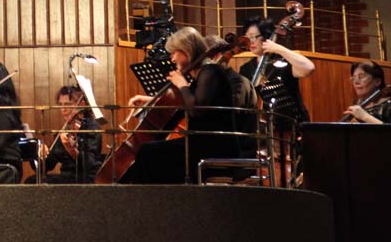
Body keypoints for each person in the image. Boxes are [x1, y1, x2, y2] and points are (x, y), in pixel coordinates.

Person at [122, 26, 242, 184]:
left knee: (148, 152)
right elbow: (180, 107)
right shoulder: (202, 75)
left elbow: (196, 110)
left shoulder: (211, 71)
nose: (172, 59)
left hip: (215, 147)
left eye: (174, 53)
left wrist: (182, 85)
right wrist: (148, 100)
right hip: (201, 144)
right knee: (148, 152)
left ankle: (150, 197)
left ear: (186, 50)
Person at [239, 15, 314, 124]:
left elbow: (309, 67)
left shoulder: (282, 62)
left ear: (266, 36)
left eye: (253, 37)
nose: (250, 42)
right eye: (247, 38)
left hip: (295, 124)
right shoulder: (246, 68)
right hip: (267, 126)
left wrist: (278, 48)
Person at [203, 34, 258, 156]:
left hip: (236, 152)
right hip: (216, 146)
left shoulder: (238, 83)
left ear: (216, 57)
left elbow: (227, 119)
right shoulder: (211, 82)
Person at [40, 85, 104, 183]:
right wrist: (41, 154)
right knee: (32, 180)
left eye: (68, 104)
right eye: (61, 104)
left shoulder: (91, 127)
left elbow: (90, 164)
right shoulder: (66, 129)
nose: (63, 109)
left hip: (85, 179)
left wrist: (72, 151)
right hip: (66, 178)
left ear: (81, 104)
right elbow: (48, 166)